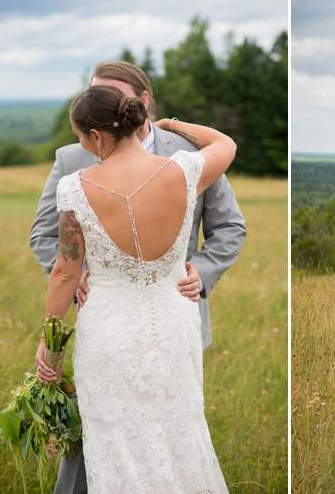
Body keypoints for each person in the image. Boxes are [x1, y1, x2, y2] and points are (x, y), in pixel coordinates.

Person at [28, 61, 245, 493]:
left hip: (108, 331)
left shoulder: (76, 187)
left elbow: (65, 273)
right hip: (171, 323)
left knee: (115, 441)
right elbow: (226, 142)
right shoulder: (186, 170)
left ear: (94, 136)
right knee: (179, 434)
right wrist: (174, 124)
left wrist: (48, 345)